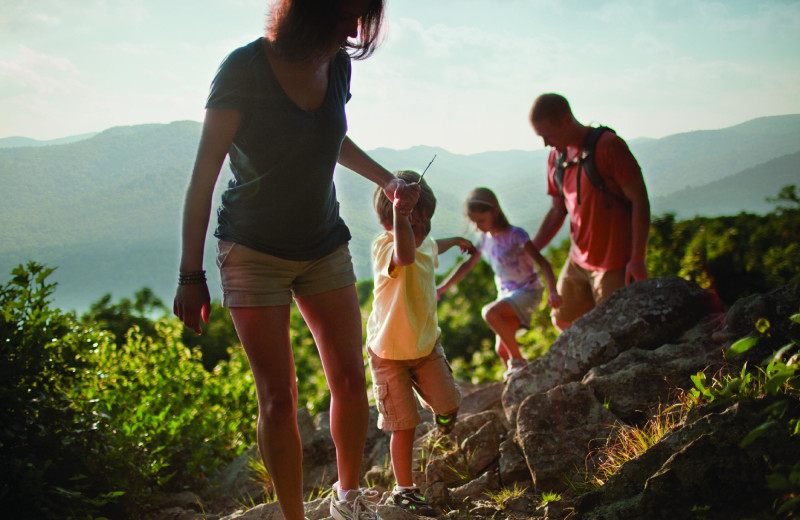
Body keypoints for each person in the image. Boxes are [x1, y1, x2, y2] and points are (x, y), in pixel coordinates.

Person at [172, 2, 420, 520]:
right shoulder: (243, 69)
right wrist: (190, 275)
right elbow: (203, 176)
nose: (356, 29)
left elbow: (326, 136)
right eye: (349, 13)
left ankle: (348, 498)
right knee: (279, 398)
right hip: (252, 251)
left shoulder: (338, 63)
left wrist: (384, 179)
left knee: (352, 381)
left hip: (323, 244)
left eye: (363, 17)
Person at [366, 170, 469, 516]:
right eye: (409, 222)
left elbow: (430, 246)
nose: (418, 231)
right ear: (387, 221)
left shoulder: (425, 243)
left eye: (423, 223)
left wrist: (457, 240)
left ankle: (440, 416)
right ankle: (404, 490)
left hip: (425, 347)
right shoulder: (385, 248)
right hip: (388, 353)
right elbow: (406, 255)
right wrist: (402, 218)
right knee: (403, 425)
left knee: (449, 405)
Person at [528, 93, 650, 331]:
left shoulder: (608, 146)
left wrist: (637, 259)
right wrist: (530, 250)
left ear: (566, 120)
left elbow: (639, 200)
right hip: (578, 259)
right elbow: (557, 211)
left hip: (614, 262)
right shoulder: (556, 158)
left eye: (548, 135)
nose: (546, 144)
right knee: (562, 319)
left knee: (614, 330)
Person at [437, 187, 562, 380]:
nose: (478, 227)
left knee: (490, 313)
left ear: (495, 212)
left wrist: (553, 291)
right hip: (506, 294)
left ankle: (519, 362)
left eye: (481, 220)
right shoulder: (484, 239)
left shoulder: (516, 235)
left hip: (528, 291)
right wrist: (442, 287)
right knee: (502, 350)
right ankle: (516, 384)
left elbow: (543, 263)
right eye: (474, 221)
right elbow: (467, 264)